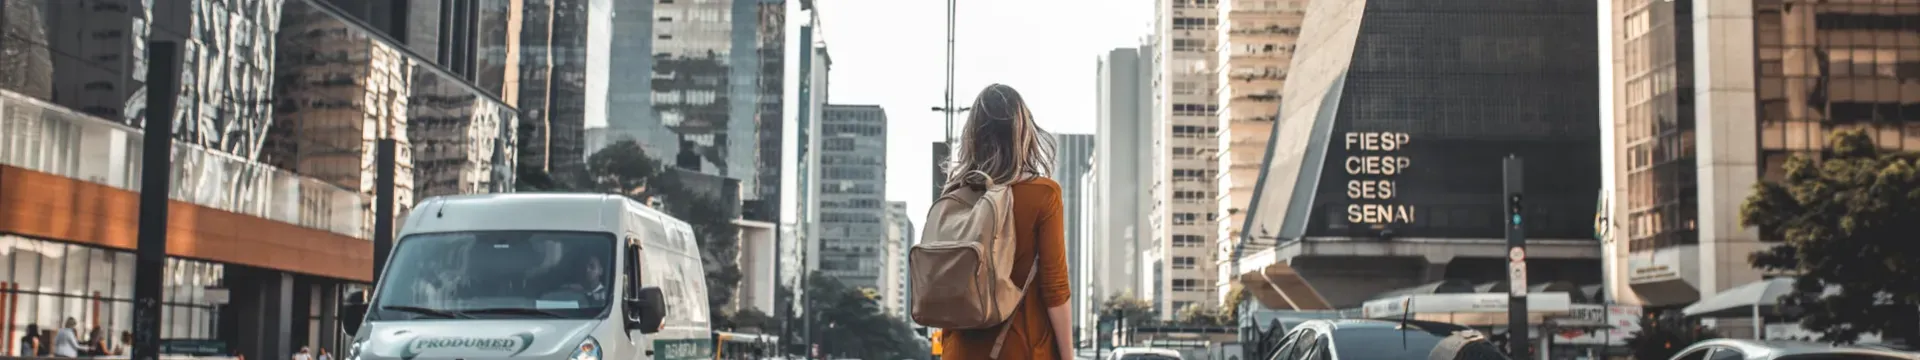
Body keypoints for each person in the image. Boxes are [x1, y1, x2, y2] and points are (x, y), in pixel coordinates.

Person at [934, 84, 1072, 360]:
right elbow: (1055, 290)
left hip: (959, 351)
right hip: (1022, 349)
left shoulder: (956, 195)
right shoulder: (1043, 194)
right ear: (1022, 132)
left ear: (973, 136)